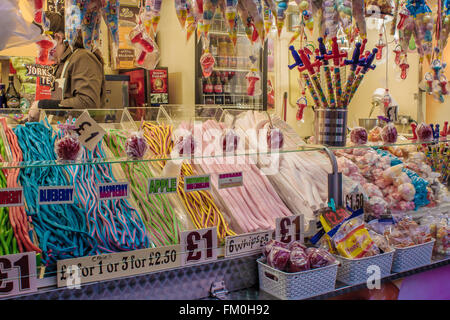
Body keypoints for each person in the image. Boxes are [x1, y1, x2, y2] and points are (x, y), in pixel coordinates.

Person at [29, 11, 105, 119]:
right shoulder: (62, 63)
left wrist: (42, 105)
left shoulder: (83, 58)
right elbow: (63, 105)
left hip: (85, 135)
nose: (38, 49)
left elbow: (87, 103)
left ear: (58, 38)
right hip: (69, 134)